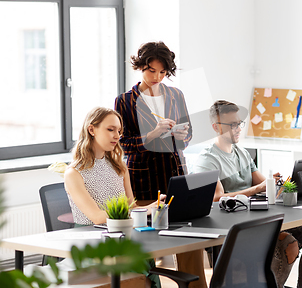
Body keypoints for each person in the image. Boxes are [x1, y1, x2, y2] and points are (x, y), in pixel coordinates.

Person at [192, 100, 302, 288]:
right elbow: (215, 198)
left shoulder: (243, 154)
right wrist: (256, 189)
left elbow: (262, 183)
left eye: (239, 123)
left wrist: (277, 183)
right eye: (231, 125)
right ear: (215, 127)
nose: (237, 129)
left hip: (256, 220)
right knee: (289, 242)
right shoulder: (207, 160)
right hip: (233, 229)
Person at [114, 41, 206, 288]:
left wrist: (181, 135)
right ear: (140, 67)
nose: (157, 77)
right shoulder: (124, 101)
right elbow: (122, 144)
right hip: (143, 181)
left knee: (189, 241)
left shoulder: (176, 95)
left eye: (163, 72)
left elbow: (188, 136)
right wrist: (152, 134)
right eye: (151, 71)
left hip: (175, 175)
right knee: (145, 245)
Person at [64, 107, 163, 287]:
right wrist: (142, 210)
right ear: (91, 130)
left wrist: (151, 207)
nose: (117, 135)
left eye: (119, 131)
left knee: (145, 261)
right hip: (92, 242)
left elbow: (130, 207)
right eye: (111, 129)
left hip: (122, 236)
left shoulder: (120, 168)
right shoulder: (74, 173)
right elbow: (97, 217)